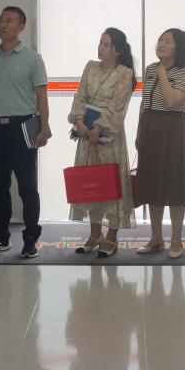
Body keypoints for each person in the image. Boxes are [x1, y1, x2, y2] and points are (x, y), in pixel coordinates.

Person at [0, 6, 51, 258]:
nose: (2, 25)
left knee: (27, 188)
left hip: (23, 128)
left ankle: (30, 239)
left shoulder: (32, 59)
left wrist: (44, 127)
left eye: (9, 21)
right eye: (1, 20)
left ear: (21, 27)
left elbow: (41, 95)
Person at [68, 28, 137, 258]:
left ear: (117, 50)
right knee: (91, 183)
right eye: (100, 43)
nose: (100, 48)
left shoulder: (124, 73)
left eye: (106, 45)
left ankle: (112, 237)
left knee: (110, 184)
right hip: (86, 135)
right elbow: (80, 95)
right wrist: (79, 121)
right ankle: (95, 234)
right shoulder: (90, 67)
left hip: (108, 138)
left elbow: (118, 105)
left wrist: (99, 127)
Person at [134, 28, 185, 259]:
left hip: (173, 128)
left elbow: (171, 101)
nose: (161, 44)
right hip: (150, 126)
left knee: (175, 183)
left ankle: (176, 240)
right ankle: (156, 237)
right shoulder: (150, 69)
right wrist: (139, 131)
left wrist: (162, 73)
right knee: (152, 182)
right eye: (160, 40)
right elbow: (144, 103)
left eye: (168, 41)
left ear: (179, 47)